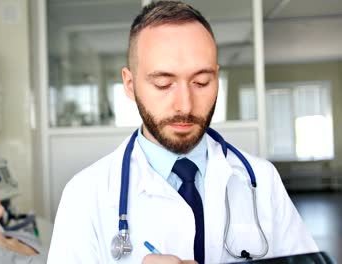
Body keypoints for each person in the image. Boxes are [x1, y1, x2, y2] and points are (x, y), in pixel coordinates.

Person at [47, 1, 318, 264]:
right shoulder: (85, 195)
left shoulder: (261, 179)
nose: (185, 105)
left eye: (201, 82)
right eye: (164, 84)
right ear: (130, 85)